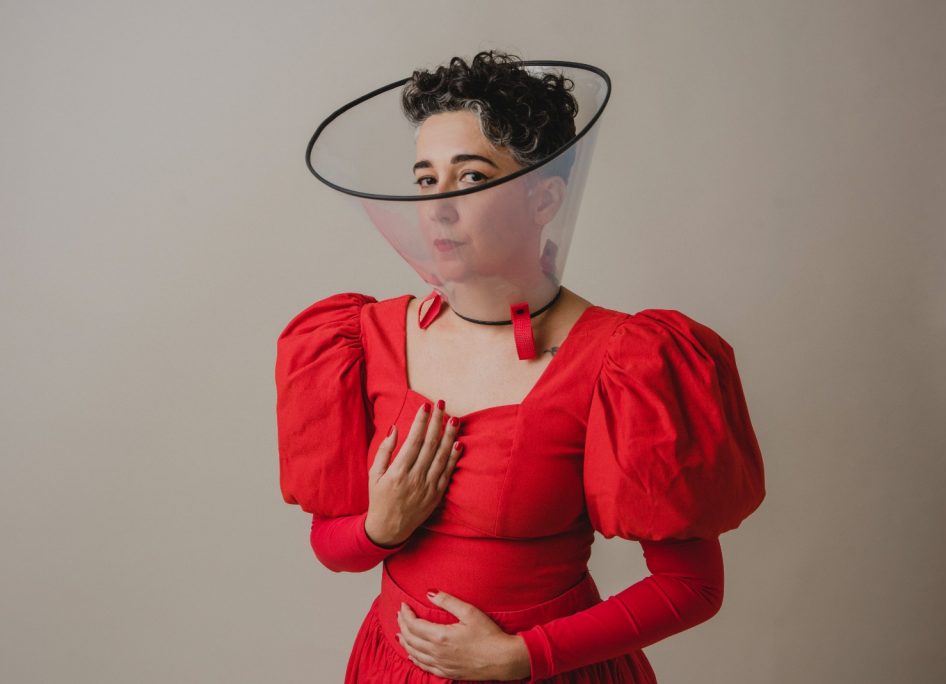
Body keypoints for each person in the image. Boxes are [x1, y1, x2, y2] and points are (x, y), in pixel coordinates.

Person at [277, 51, 765, 683]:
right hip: (391, 669)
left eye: (470, 176)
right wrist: (381, 527)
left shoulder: (627, 361)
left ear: (545, 199)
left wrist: (524, 656)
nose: (438, 207)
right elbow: (331, 548)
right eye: (425, 180)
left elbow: (692, 587)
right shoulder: (360, 339)